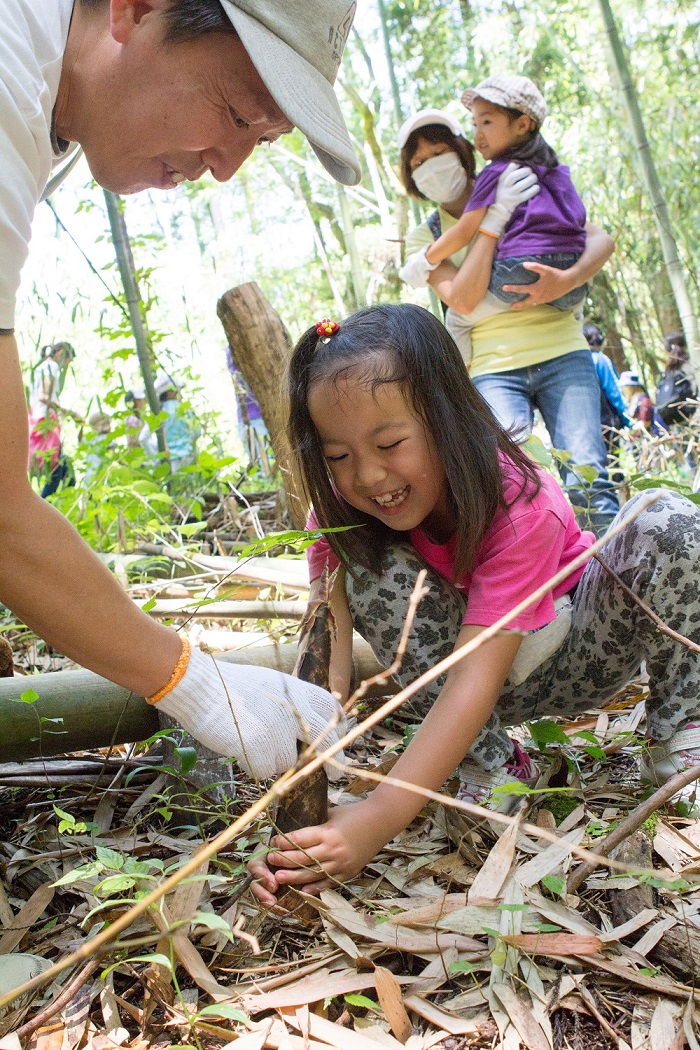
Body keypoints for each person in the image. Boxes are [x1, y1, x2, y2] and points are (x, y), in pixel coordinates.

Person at [1, 0, 360, 774]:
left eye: (262, 140)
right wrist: (192, 683)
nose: (226, 168)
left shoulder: (49, 99)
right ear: (135, 9)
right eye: (235, 112)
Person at [247, 304, 700, 902]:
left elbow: (472, 679)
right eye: (338, 456)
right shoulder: (339, 514)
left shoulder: (518, 501)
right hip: (459, 684)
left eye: (389, 442)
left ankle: (680, 737)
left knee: (669, 521)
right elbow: (325, 643)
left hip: (571, 654)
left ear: (446, 419)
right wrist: (314, 768)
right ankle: (495, 766)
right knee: (370, 570)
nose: (369, 475)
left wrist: (378, 820)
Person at [397, 109, 619, 534]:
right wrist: (492, 223)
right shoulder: (426, 236)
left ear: (464, 152)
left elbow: (600, 239)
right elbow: (461, 299)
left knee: (589, 475)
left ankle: (612, 585)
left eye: (439, 151)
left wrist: (566, 280)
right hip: (493, 368)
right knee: (518, 484)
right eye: (419, 162)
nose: (432, 166)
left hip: (563, 349)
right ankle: (551, 586)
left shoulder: (519, 182)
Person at [422, 75, 587, 358]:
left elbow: (464, 231)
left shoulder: (496, 173)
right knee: (571, 306)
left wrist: (425, 259)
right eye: (475, 124)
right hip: (571, 280)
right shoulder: (557, 171)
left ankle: (463, 386)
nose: (477, 135)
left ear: (522, 124)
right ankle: (578, 315)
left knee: (457, 320)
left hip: (517, 271)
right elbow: (579, 219)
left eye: (486, 122)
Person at [28, 341, 80, 497]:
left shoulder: (42, 367)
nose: (65, 366)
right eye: (67, 360)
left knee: (65, 467)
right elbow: (45, 396)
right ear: (61, 352)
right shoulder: (50, 367)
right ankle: (43, 505)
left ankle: (62, 503)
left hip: (41, 419)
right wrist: (69, 412)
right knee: (57, 469)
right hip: (46, 421)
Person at [582, 322, 631, 460]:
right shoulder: (601, 360)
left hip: (586, 424)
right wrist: (627, 419)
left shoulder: (578, 363)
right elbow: (614, 391)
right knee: (614, 461)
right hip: (607, 421)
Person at [655, 332, 696, 427]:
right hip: (694, 416)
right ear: (685, 345)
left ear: (667, 350)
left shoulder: (667, 371)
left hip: (675, 421)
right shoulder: (691, 364)